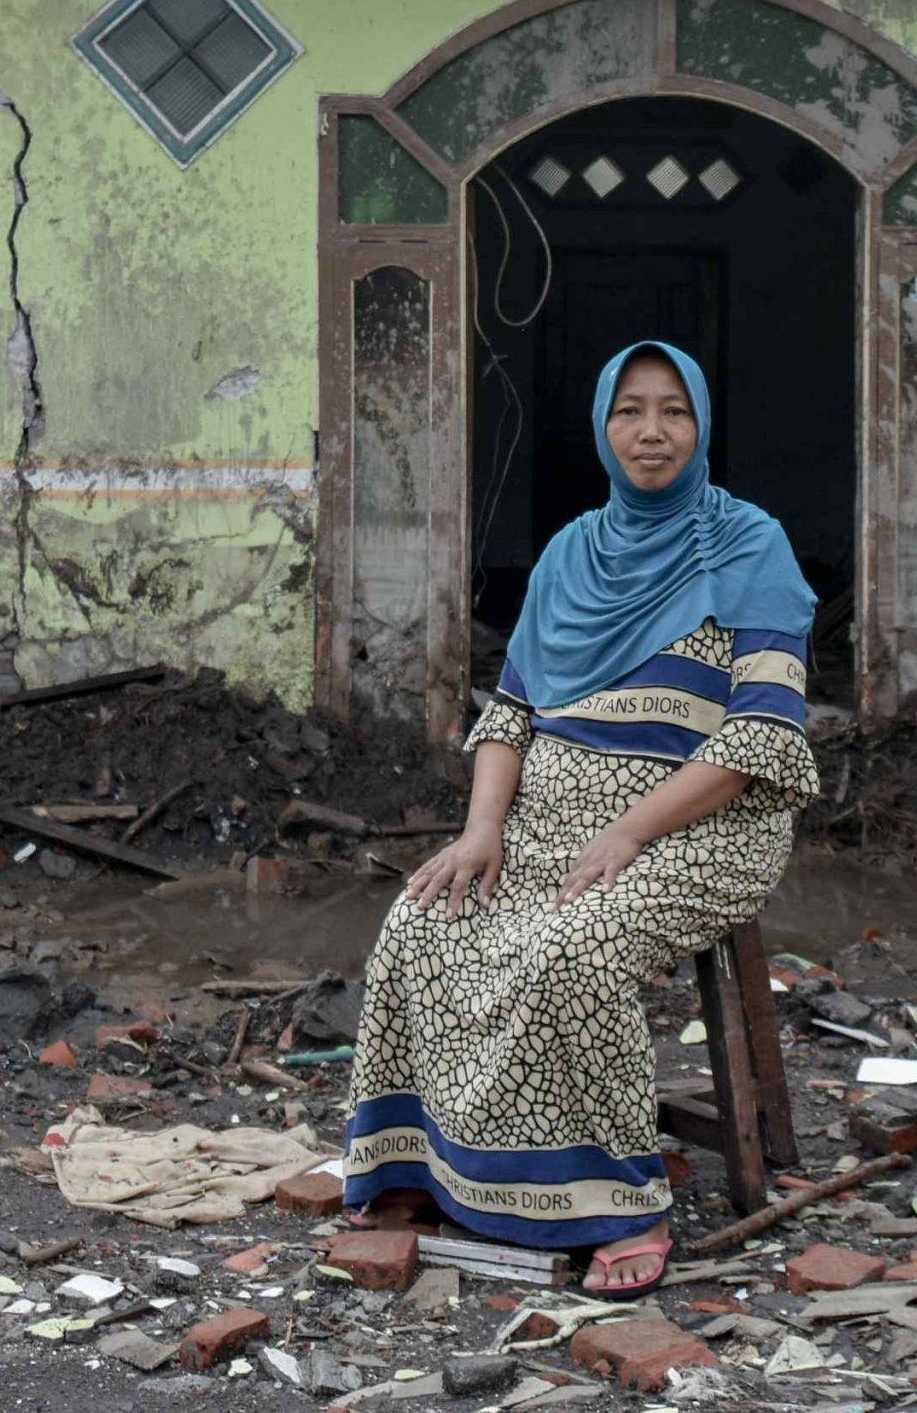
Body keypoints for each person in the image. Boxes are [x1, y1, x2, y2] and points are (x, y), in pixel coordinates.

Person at [341, 340, 820, 1298]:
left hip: (697, 829)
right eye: (629, 410)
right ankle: (430, 1168)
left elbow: (762, 732)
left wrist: (633, 829)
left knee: (572, 952)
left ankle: (621, 1205)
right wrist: (483, 829)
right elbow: (511, 713)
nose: (652, 431)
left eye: (674, 410)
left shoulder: (748, 543)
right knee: (422, 920)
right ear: (603, 427)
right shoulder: (571, 553)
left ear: (702, 425)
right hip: (546, 825)